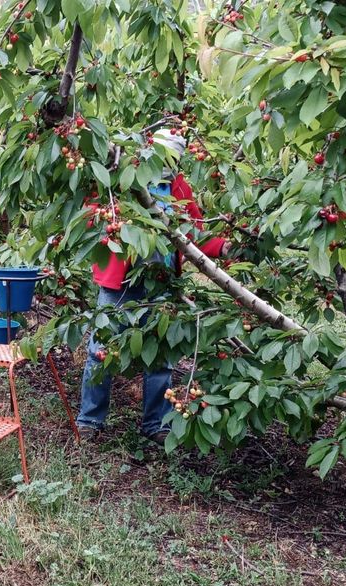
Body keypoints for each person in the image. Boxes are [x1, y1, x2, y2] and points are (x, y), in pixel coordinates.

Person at [76, 129, 230, 445]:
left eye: (175, 159)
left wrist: (223, 248)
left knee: (161, 356)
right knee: (101, 351)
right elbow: (95, 215)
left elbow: (193, 232)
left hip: (161, 284)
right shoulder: (124, 178)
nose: (169, 164)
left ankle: (155, 424)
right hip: (120, 283)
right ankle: (90, 419)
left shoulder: (178, 187)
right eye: (165, 156)